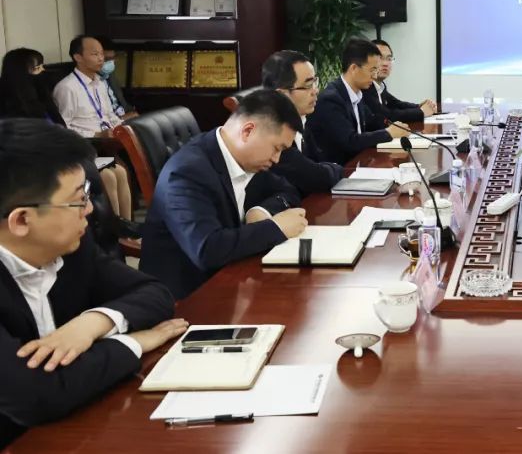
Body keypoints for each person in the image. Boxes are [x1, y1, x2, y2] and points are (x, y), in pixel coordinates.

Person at [0, 119, 185, 447]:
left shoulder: (71, 245)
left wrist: (92, 324)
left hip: (77, 426)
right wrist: (133, 343)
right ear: (22, 220)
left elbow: (155, 294)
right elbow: (36, 396)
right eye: (77, 200)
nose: (89, 210)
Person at [139, 89, 308, 299]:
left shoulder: (246, 158)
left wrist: (261, 211)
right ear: (248, 131)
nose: (277, 159)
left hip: (233, 275)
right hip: (190, 298)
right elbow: (207, 250)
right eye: (276, 148)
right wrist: (275, 228)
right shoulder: (187, 172)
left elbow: (288, 190)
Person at [1, 48, 133, 222]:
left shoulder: (41, 99)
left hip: (64, 156)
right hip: (43, 163)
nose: (43, 72)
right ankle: (113, 229)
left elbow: (62, 129)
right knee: (107, 176)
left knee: (119, 171)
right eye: (37, 68)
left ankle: (126, 227)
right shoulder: (10, 108)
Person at [307, 38, 410, 165]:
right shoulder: (331, 99)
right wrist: (388, 133)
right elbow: (350, 141)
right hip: (339, 171)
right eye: (372, 70)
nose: (375, 76)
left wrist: (396, 128)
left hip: (358, 165)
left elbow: (374, 122)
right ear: (354, 68)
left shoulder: (357, 94)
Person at [261, 50, 344, 195]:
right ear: (282, 95)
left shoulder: (302, 120)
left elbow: (318, 163)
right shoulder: (274, 134)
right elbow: (320, 178)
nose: (315, 91)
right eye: (308, 85)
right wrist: (333, 168)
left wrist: (326, 168)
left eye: (314, 82)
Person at [52, 36, 123, 138]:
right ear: (78, 57)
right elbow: (62, 128)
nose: (101, 58)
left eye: (102, 54)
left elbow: (110, 115)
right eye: (95, 54)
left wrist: (124, 128)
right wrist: (96, 135)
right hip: (89, 143)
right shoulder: (67, 88)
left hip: (111, 138)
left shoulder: (100, 83)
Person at [362, 39, 437, 124]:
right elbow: (387, 116)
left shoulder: (380, 86)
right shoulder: (365, 87)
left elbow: (397, 104)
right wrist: (421, 112)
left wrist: (419, 106)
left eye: (389, 59)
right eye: (380, 58)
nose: (385, 63)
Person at [99, 49, 136, 121]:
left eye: (113, 58)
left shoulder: (110, 74)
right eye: (106, 59)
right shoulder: (90, 82)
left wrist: (132, 111)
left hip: (123, 114)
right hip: (112, 121)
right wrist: (121, 118)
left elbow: (121, 101)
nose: (110, 62)